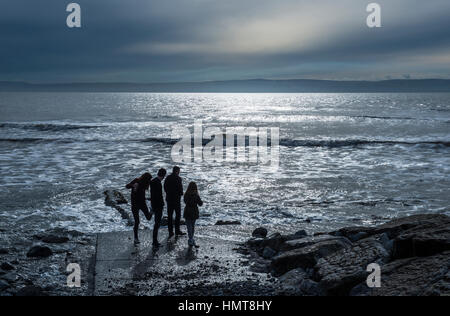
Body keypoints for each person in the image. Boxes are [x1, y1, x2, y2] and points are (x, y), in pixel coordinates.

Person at [125, 172, 153, 245]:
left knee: (149, 218)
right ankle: (136, 238)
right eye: (149, 180)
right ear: (145, 179)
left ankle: (151, 210)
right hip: (135, 204)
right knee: (137, 222)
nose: (149, 182)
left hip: (142, 204)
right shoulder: (137, 180)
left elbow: (142, 194)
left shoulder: (146, 184)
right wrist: (133, 185)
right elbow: (127, 186)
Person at [164, 166, 185, 238]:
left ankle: (170, 232)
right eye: (179, 171)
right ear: (177, 171)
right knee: (178, 215)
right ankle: (177, 230)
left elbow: (165, 187)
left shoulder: (168, 178)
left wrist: (168, 193)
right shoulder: (178, 179)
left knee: (170, 216)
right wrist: (181, 193)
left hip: (169, 199)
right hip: (176, 200)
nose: (179, 172)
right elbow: (180, 189)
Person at [150, 168, 167, 247]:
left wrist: (152, 206)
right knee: (157, 224)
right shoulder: (158, 183)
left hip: (154, 205)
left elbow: (153, 196)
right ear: (163, 175)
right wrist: (162, 204)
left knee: (156, 223)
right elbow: (158, 196)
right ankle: (155, 241)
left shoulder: (153, 181)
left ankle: (155, 240)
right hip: (158, 206)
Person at [183, 182, 203, 248]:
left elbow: (185, 201)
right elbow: (200, 204)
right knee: (192, 226)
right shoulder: (196, 195)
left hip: (187, 211)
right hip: (194, 211)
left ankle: (190, 239)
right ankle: (191, 239)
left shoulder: (186, 194)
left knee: (189, 226)